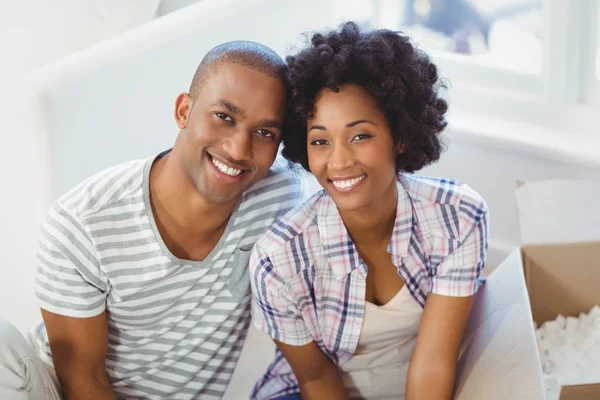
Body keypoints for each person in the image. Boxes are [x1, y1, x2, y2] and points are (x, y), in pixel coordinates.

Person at [0, 41, 302, 399]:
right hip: (51, 388)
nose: (238, 149)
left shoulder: (280, 197)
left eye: (264, 133)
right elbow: (83, 379)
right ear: (183, 111)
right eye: (224, 116)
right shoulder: (83, 223)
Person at [249, 22, 489, 400]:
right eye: (321, 141)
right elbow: (315, 381)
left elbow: (433, 364)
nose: (339, 161)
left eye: (360, 135)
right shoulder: (278, 259)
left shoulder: (457, 217)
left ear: (401, 135)